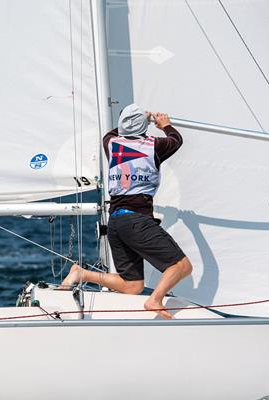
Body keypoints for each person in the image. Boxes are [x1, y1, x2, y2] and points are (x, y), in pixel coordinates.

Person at [62, 104, 192, 319]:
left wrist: (141, 118)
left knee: (132, 285)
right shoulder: (154, 146)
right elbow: (176, 139)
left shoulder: (111, 143)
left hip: (116, 222)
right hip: (136, 220)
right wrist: (164, 124)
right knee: (181, 266)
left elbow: (114, 131)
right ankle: (155, 300)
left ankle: (81, 273)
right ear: (143, 127)